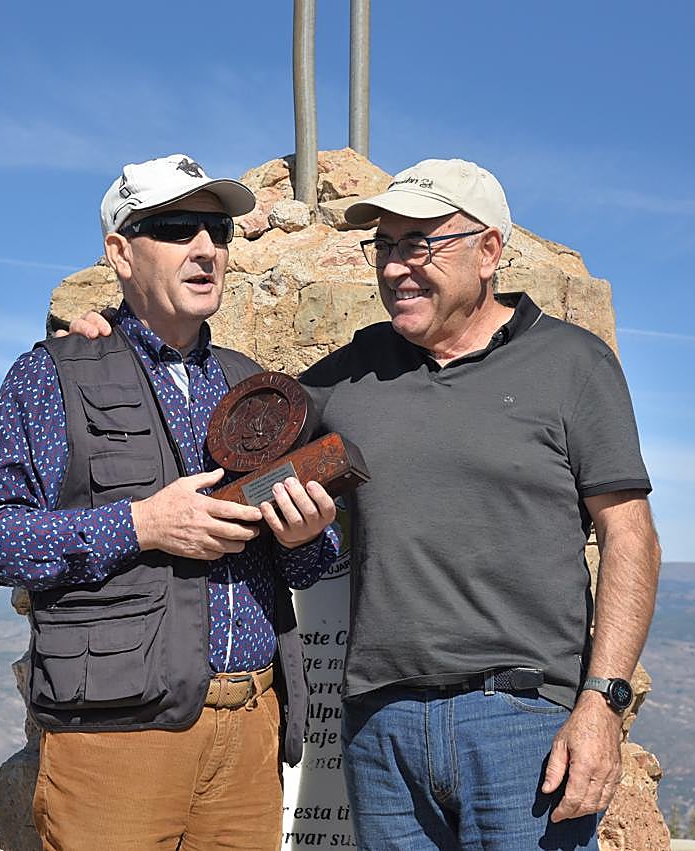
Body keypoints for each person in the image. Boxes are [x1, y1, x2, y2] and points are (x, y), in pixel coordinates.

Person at [66, 157, 661, 850]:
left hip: (524, 721)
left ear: (490, 250)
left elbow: (631, 539)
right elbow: (232, 424)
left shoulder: (573, 364)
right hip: (381, 728)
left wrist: (602, 701)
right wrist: (110, 339)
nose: (396, 267)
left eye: (420, 244)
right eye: (385, 246)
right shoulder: (353, 372)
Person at [0, 153, 340, 851]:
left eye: (217, 230)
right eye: (175, 227)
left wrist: (304, 534)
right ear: (121, 253)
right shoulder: (52, 375)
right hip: (116, 742)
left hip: (251, 733)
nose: (205, 248)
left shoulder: (250, 386)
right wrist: (141, 524)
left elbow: (312, 567)